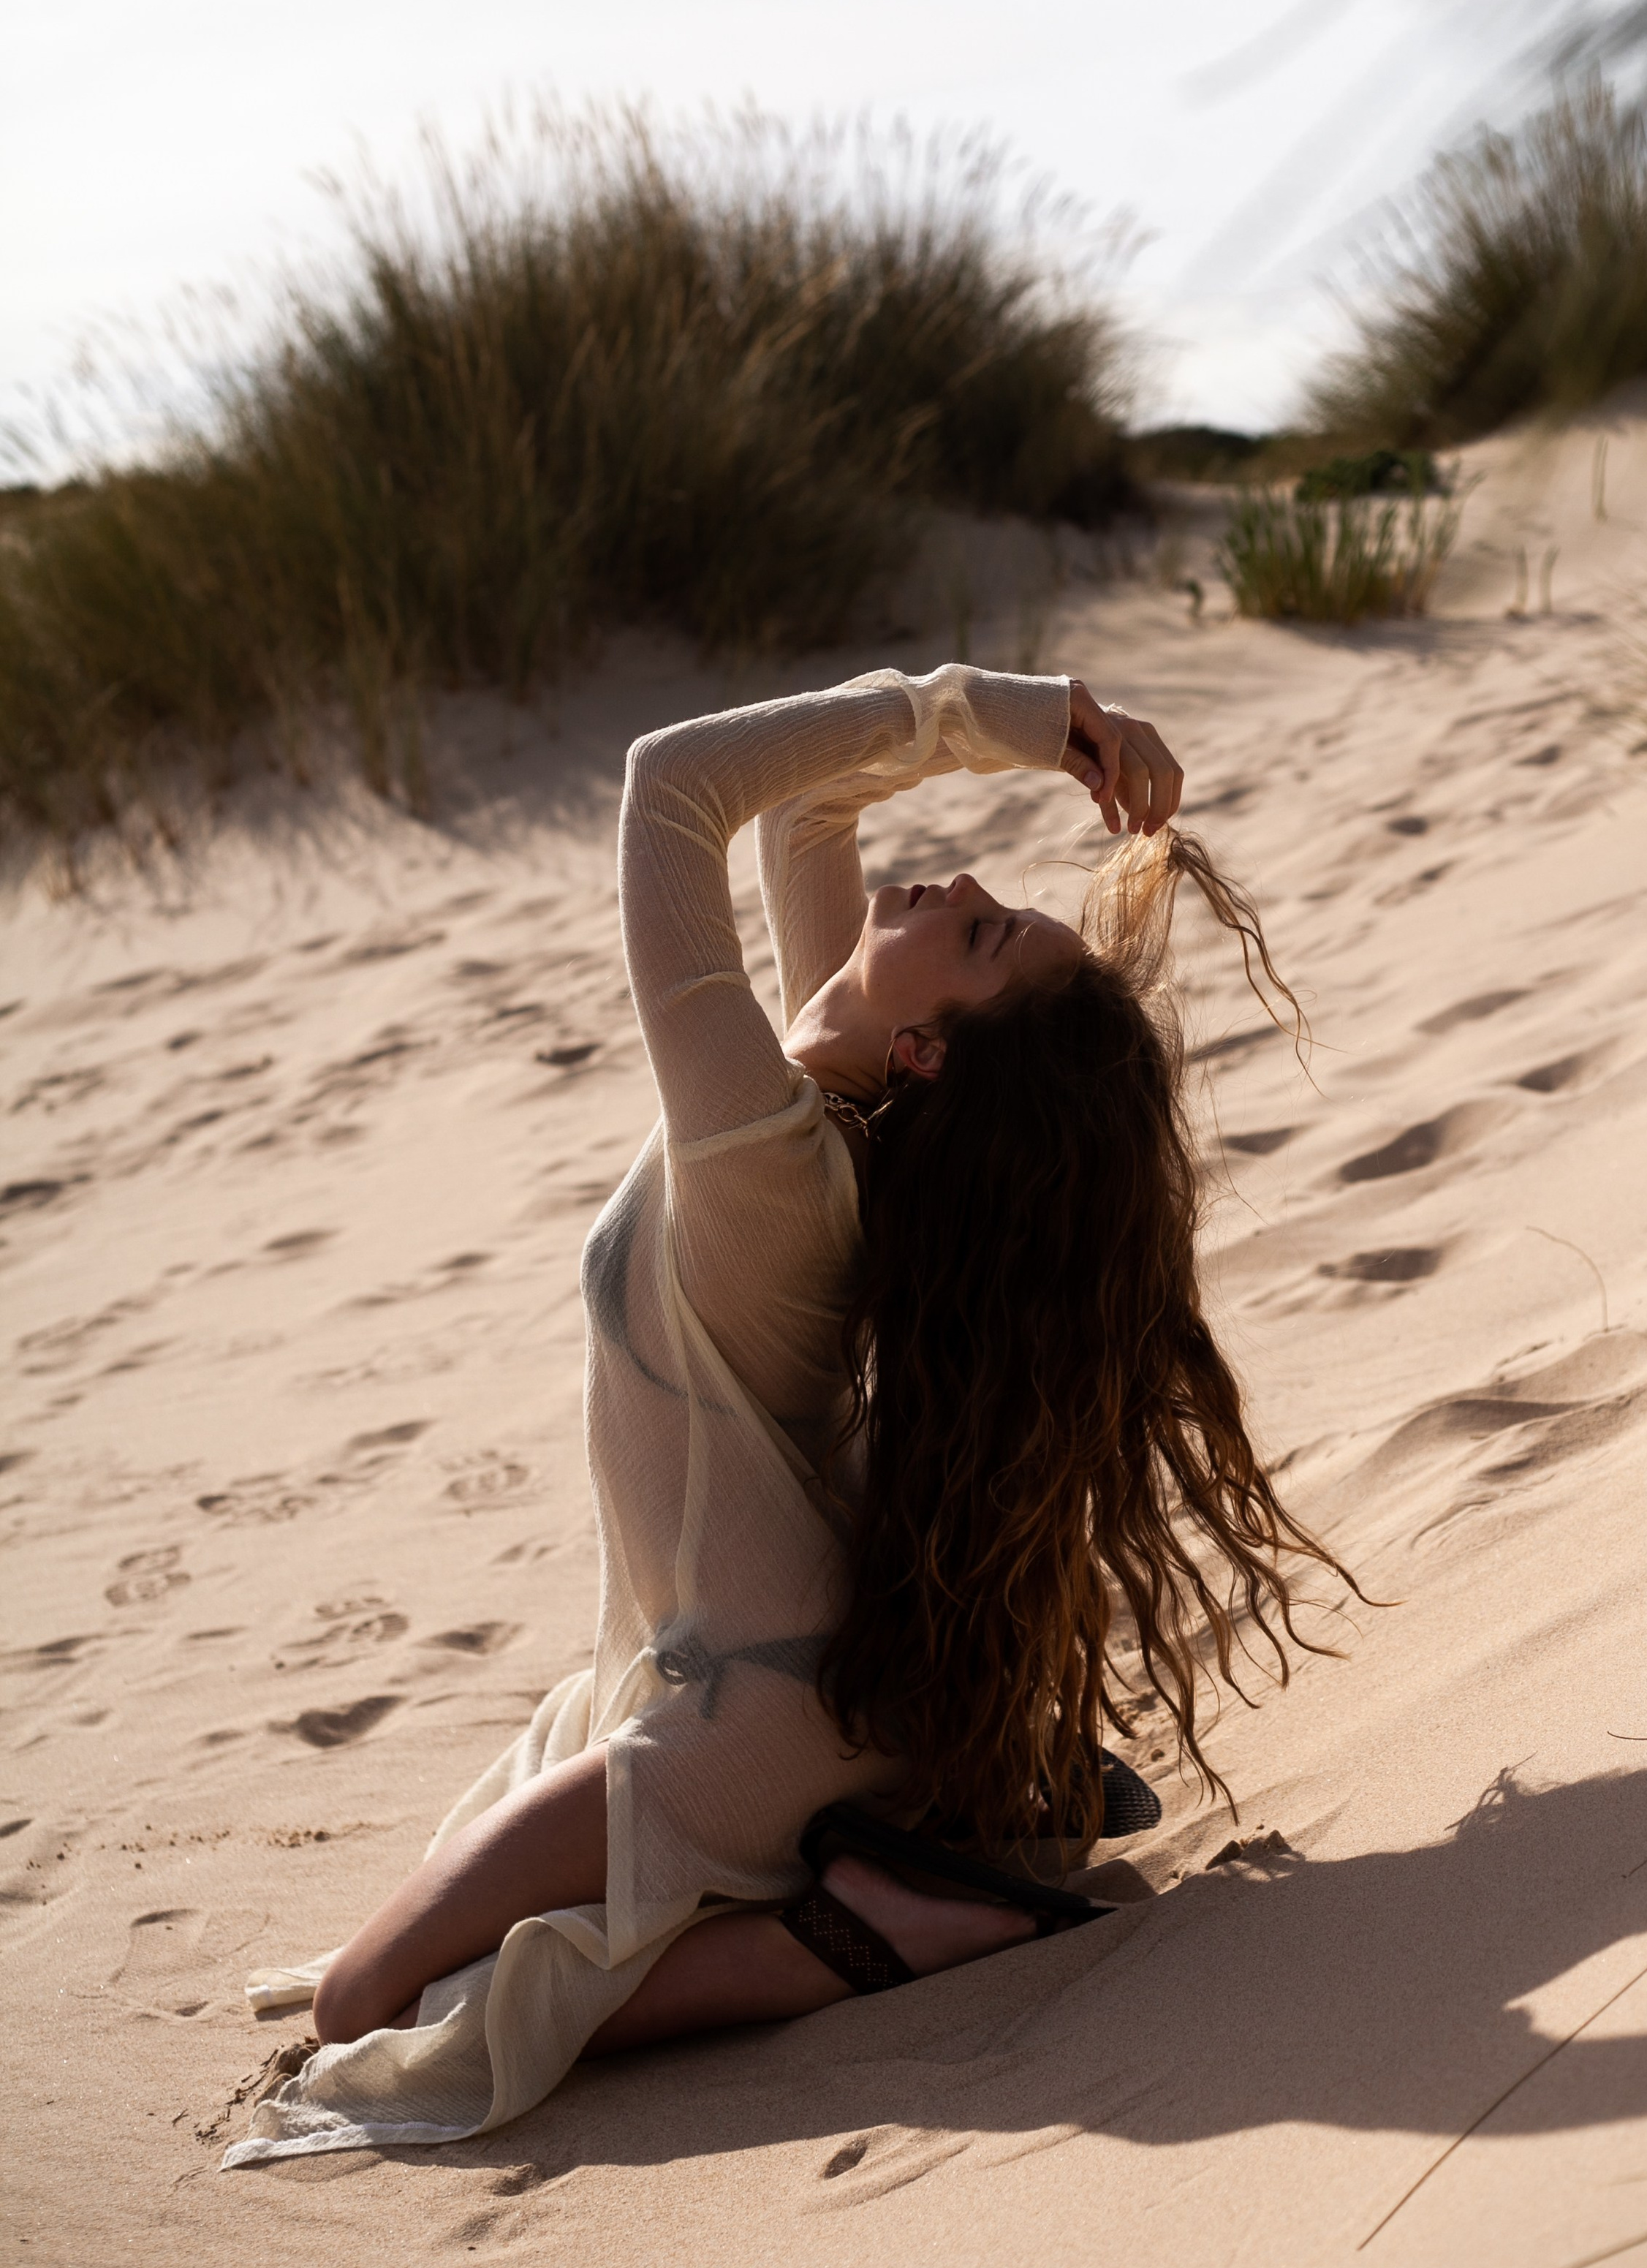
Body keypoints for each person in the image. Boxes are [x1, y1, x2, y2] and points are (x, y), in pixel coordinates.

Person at [227, 666, 1344, 2168]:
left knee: (371, 2007)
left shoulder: (761, 1151)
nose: (958, 881)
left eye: (981, 929)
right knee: (415, 1977)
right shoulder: (843, 1110)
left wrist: (984, 711)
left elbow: (666, 785)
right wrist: (1032, 722)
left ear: (933, 1047)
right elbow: (817, 801)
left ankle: (828, 1941)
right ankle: (865, 1878)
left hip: (741, 1714)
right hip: (771, 1673)